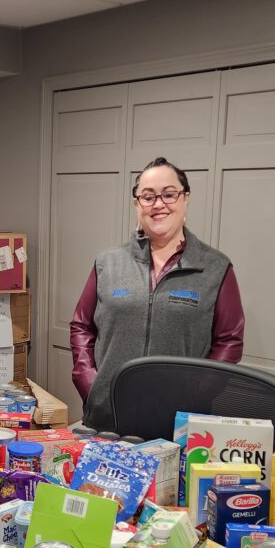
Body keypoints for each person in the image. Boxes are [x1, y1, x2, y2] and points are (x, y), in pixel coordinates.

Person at [70, 157, 244, 431]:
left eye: (169, 194)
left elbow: (229, 340)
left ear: (185, 199)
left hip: (179, 423)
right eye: (148, 197)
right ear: (137, 204)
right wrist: (89, 381)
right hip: (108, 416)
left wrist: (197, 393)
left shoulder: (215, 267)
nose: (159, 204)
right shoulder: (108, 262)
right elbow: (82, 325)